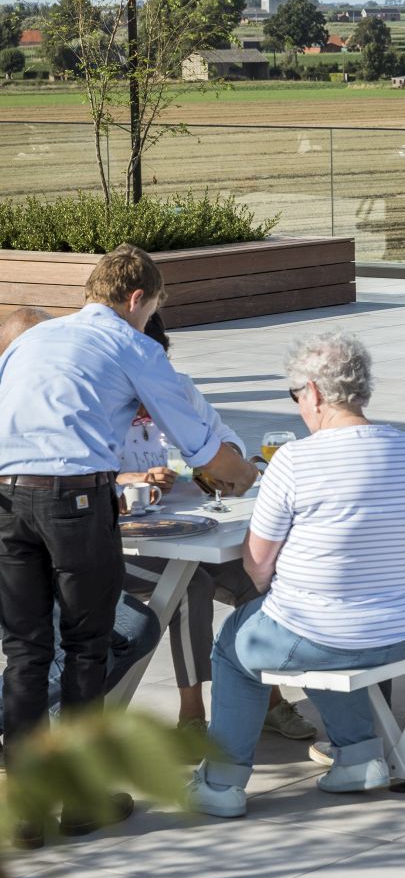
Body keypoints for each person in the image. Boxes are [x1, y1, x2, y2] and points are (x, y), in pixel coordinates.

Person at [0, 245, 257, 847]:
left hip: (7, 500)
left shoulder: (32, 341)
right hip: (76, 502)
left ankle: (27, 809)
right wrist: (248, 475)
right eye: (150, 310)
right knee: (89, 646)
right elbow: (204, 450)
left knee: (26, 651)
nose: (148, 322)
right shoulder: (132, 345)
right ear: (137, 299)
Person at [187, 331, 405, 818]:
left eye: (296, 394)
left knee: (243, 642)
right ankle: (358, 757)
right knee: (311, 623)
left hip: (329, 630)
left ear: (316, 393)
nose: (299, 405)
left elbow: (257, 563)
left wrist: (280, 590)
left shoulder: (296, 461)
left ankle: (222, 783)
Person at [120, 313, 315, 752]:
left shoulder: (179, 389)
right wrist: (130, 481)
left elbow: (231, 444)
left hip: (186, 528)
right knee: (191, 583)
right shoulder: (94, 403)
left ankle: (270, 699)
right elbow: (78, 480)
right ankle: (192, 715)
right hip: (122, 544)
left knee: (255, 577)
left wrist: (206, 468)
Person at [0, 305, 160, 745]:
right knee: (90, 644)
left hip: (31, 524)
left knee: (31, 654)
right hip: (59, 520)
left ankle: (33, 796)